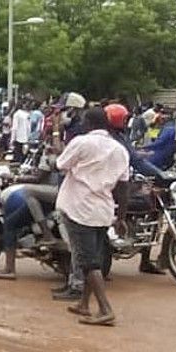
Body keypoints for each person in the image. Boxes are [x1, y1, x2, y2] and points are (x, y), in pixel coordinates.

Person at [53, 107, 131, 325]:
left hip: (78, 208)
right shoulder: (119, 149)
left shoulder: (81, 142)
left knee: (87, 262)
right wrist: (121, 217)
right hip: (103, 210)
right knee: (93, 257)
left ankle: (105, 309)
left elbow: (60, 165)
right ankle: (84, 304)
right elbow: (124, 186)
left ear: (87, 123)